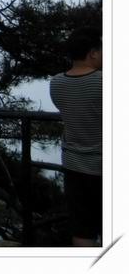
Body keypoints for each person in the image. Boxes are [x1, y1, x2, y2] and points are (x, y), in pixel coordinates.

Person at [49, 26, 102, 247]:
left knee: (82, 229)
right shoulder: (104, 82)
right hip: (103, 165)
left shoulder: (56, 83)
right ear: (93, 53)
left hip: (73, 164)